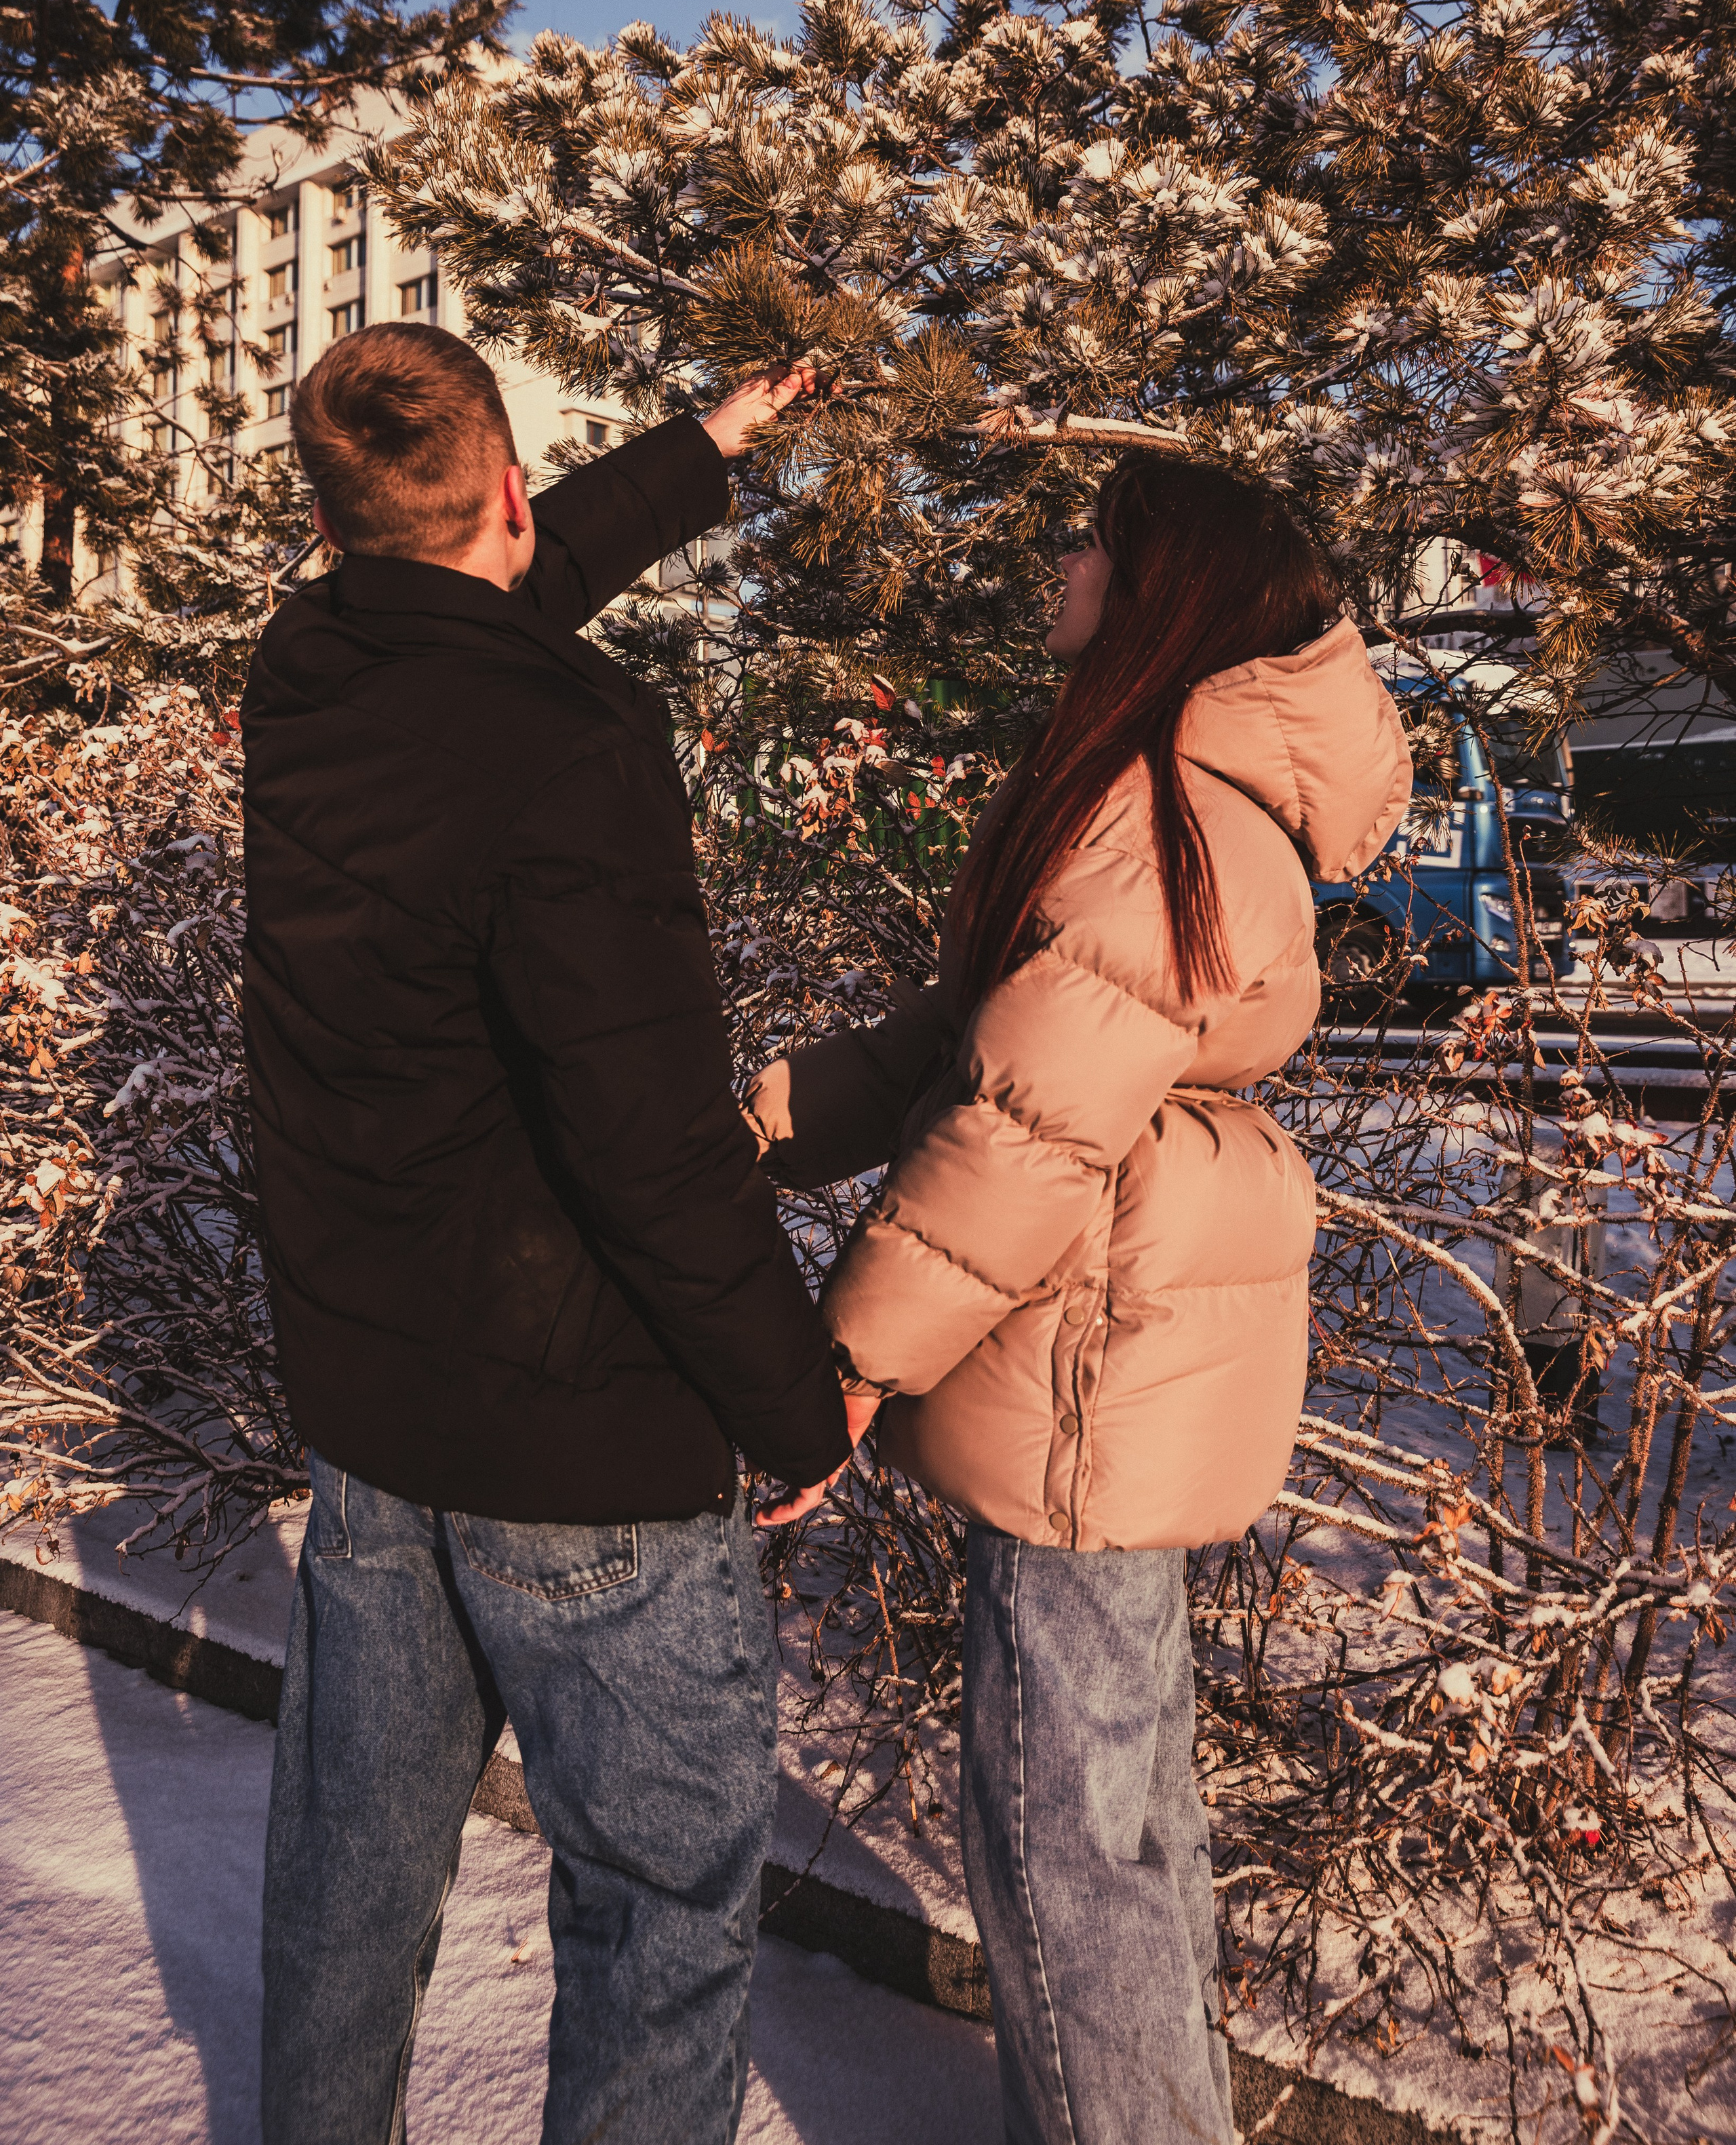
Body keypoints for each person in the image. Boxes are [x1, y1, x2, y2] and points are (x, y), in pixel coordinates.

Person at [247, 321, 867, 2145]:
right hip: (581, 1445)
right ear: (507, 486)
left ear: (333, 517)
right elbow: (654, 1146)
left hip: (377, 1426)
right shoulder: (570, 736)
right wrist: (791, 1408)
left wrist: (704, 446)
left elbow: (479, 595)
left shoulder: (310, 670)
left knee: (347, 1893)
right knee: (657, 1922)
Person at [749, 456, 1413, 2144]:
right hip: (1107, 1349)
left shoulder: (1153, 818)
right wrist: (759, 1122)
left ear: (1157, 590)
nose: (1061, 561)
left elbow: (1024, 1133)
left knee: (1065, 1835)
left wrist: (849, 1358)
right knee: (1118, 1812)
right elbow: (983, 1041)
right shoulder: (1159, 797)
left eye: (1090, 544)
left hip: (1083, 1365)